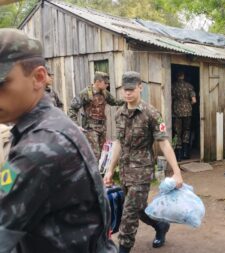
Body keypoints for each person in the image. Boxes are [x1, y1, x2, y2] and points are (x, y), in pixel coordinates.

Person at [0, 28, 117, 252]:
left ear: (38, 78)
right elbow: (74, 108)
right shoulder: (45, 126)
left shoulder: (40, 147)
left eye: (1, 84)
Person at [103, 71, 183, 253]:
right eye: (125, 89)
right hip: (124, 171)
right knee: (138, 209)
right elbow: (118, 143)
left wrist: (176, 171)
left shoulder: (151, 113)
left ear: (140, 87)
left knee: (129, 215)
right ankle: (160, 226)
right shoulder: (119, 113)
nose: (128, 93)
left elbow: (163, 142)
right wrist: (109, 169)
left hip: (141, 172)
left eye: (132, 89)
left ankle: (123, 249)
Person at [68, 71, 124, 160]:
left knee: (103, 154)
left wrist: (127, 101)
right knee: (95, 155)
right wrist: (76, 125)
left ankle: (101, 173)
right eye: (105, 83)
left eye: (108, 83)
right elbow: (72, 109)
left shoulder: (105, 93)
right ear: (97, 82)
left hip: (102, 127)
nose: (107, 85)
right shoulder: (86, 93)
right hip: (90, 128)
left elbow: (115, 102)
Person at [172, 71, 196, 160]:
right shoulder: (189, 86)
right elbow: (194, 100)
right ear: (184, 76)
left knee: (177, 132)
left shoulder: (173, 86)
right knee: (187, 130)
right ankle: (186, 153)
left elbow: (170, 98)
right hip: (188, 112)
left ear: (177, 76)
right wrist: (187, 105)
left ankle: (178, 156)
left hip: (177, 112)